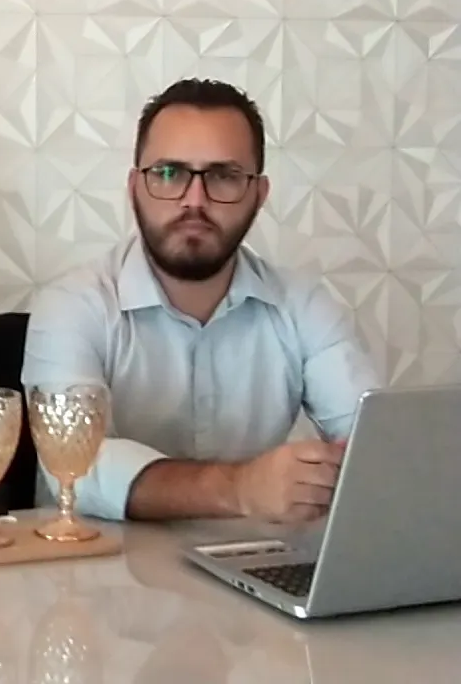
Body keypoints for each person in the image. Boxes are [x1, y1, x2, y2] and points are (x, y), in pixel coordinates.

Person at [21, 78, 383, 525]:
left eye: (224, 176)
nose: (195, 201)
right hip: (96, 563)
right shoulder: (71, 306)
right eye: (168, 174)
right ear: (134, 187)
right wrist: (239, 488)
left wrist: (340, 470)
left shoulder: (304, 305)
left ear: (259, 194)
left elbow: (376, 449)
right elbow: (75, 467)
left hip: (256, 559)